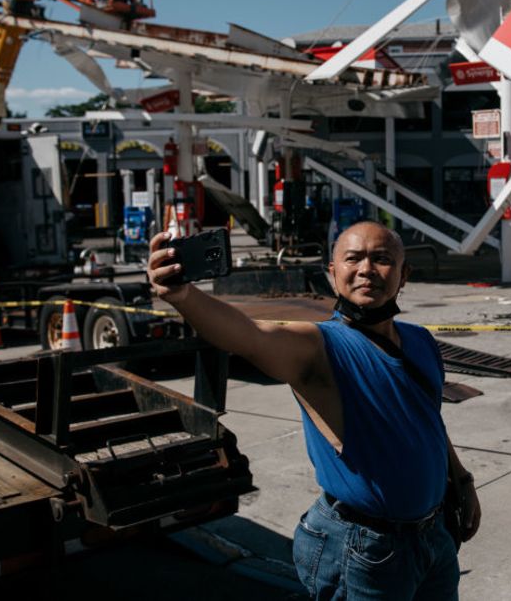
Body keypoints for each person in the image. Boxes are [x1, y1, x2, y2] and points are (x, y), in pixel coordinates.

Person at [146, 221, 480, 599]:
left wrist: (462, 479)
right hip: (366, 548)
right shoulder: (319, 347)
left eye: (382, 259)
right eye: (353, 258)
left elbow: (428, 421)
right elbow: (250, 337)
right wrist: (183, 296)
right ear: (332, 273)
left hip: (433, 536)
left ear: (404, 275)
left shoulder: (420, 341)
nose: (367, 269)